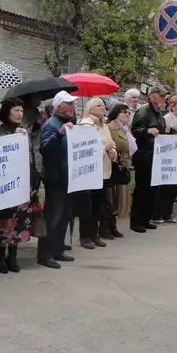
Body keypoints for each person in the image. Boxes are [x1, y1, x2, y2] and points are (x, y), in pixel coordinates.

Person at [0, 98, 37, 271]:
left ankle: (13, 255)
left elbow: (30, 157)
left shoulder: (24, 133)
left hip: (22, 184)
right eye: (16, 110)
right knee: (3, 221)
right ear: (7, 112)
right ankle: (0, 257)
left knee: (18, 221)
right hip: (4, 185)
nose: (19, 114)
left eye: (21, 111)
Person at [38, 91, 78, 268]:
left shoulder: (68, 122)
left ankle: (58, 249)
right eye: (68, 104)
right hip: (56, 177)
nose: (72, 107)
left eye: (72, 104)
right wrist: (59, 135)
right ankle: (44, 255)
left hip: (67, 176)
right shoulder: (51, 125)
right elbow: (45, 149)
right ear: (58, 107)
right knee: (53, 216)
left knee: (64, 216)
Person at [74, 98, 116, 248]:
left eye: (103, 106)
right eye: (98, 106)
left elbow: (111, 143)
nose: (102, 108)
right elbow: (86, 148)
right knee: (88, 205)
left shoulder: (104, 125)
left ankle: (94, 233)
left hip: (104, 168)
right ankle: (84, 236)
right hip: (90, 171)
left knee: (99, 203)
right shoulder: (86, 124)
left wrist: (112, 151)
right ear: (90, 108)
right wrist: (104, 149)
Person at [130, 87, 167, 233]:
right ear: (152, 97)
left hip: (155, 155)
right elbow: (134, 130)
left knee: (152, 189)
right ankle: (137, 221)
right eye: (161, 95)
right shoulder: (144, 111)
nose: (164, 98)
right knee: (142, 190)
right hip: (144, 155)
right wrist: (147, 131)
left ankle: (146, 219)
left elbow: (162, 131)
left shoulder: (159, 112)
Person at [154, 94, 177, 223]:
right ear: (172, 107)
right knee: (164, 186)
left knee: (173, 186)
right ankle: (158, 214)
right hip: (167, 156)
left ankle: (168, 213)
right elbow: (164, 136)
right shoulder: (167, 119)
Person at [106, 103, 134, 234]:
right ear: (116, 113)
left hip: (125, 164)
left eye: (128, 112)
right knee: (113, 197)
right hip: (116, 164)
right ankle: (110, 226)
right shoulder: (111, 127)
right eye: (124, 112)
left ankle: (113, 226)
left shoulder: (125, 128)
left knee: (121, 196)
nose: (127, 114)